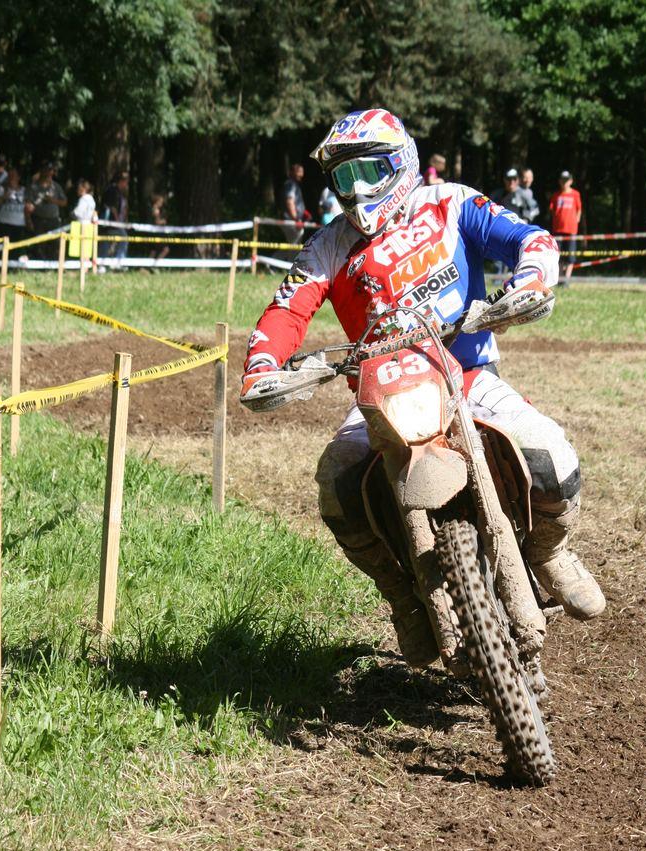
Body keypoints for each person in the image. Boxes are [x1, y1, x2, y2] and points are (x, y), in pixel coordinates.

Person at [241, 108, 605, 668]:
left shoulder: (449, 202)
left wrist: (530, 279)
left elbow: (527, 237)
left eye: (368, 171)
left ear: (401, 163)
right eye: (343, 178)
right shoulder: (327, 247)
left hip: (468, 373)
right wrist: (264, 363)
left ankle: (550, 553)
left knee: (551, 457)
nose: (357, 190)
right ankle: (402, 598)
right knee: (337, 483)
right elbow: (288, 308)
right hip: (381, 393)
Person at [26, 162, 67, 258]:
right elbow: (27, 204)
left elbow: (64, 202)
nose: (49, 173)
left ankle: (53, 263)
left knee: (54, 244)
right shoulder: (33, 187)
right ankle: (39, 263)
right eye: (46, 170)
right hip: (38, 220)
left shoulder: (56, 186)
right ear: (41, 171)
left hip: (53, 220)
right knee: (39, 245)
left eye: (50, 170)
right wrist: (28, 220)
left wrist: (53, 200)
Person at [548, 171, 582, 285]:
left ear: (571, 181)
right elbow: (552, 210)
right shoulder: (556, 195)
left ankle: (566, 279)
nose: (564, 182)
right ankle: (560, 278)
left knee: (570, 256)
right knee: (558, 255)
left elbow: (579, 209)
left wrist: (576, 221)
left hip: (571, 230)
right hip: (557, 230)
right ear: (559, 181)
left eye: (566, 180)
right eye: (562, 180)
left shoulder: (575, 194)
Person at [0, 166, 28, 256]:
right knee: (1, 250)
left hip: (19, 224)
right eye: (9, 175)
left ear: (18, 177)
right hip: (3, 223)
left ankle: (13, 264)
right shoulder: (1, 189)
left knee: (16, 250)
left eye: (13, 175)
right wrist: (3, 197)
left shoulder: (24, 190)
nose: (11, 177)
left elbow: (29, 206)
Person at [100, 171, 129, 267]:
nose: (126, 184)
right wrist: (118, 222)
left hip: (112, 223)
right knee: (123, 238)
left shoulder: (119, 192)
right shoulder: (113, 191)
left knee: (106, 241)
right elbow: (113, 208)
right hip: (110, 223)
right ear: (121, 181)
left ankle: (102, 264)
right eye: (126, 181)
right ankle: (118, 262)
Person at [282, 163, 309, 244]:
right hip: (292, 221)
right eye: (299, 172)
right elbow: (289, 201)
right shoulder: (291, 184)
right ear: (292, 172)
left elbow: (295, 202)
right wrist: (296, 219)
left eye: (302, 172)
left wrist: (304, 212)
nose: (302, 174)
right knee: (294, 247)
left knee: (293, 246)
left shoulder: (294, 185)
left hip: (293, 220)